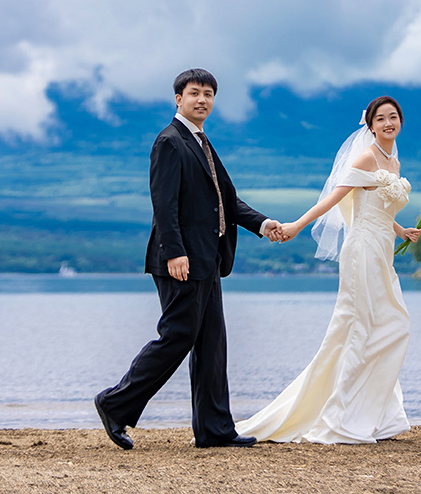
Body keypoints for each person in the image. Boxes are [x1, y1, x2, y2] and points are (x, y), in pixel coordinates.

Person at [95, 69, 284, 449]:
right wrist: (175, 252)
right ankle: (115, 404)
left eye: (209, 94)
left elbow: (225, 202)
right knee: (178, 335)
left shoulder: (201, 142)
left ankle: (215, 430)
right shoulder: (169, 141)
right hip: (179, 259)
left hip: (208, 258)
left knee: (212, 343)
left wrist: (263, 224)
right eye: (194, 93)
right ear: (178, 99)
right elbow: (163, 204)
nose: (202, 100)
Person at [236, 96, 421, 444]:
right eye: (380, 119)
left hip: (382, 252)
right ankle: (341, 418)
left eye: (393, 117)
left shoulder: (394, 159)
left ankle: (374, 413)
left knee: (383, 324)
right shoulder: (366, 156)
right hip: (363, 251)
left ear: (401, 121)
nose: (387, 123)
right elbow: (334, 199)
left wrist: (402, 231)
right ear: (370, 126)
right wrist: (297, 225)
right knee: (374, 326)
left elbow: (378, 207)